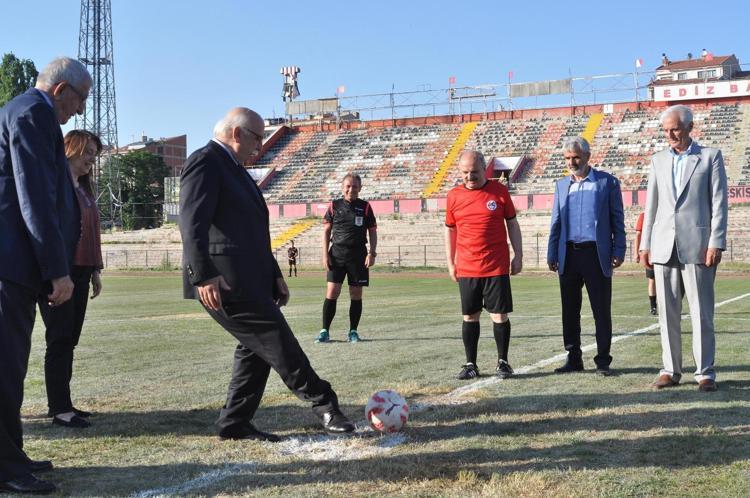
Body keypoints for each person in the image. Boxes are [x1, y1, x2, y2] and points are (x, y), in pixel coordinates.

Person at [180, 107, 354, 442]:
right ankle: (324, 403)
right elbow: (191, 224)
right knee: (276, 339)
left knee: (256, 348)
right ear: (236, 133)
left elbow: (253, 232)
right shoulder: (205, 162)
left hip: (250, 277)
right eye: (258, 137)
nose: (261, 146)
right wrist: (202, 275)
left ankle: (234, 422)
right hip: (224, 280)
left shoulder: (237, 170)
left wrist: (274, 274)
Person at [0, 56, 89, 494]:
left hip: (15, 264)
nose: (81, 109)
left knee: (10, 366)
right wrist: (57, 271)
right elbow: (34, 194)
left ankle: (11, 454)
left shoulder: (26, 111)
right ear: (60, 90)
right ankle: (6, 467)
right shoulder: (33, 113)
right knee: (5, 367)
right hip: (11, 264)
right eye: (80, 99)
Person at [639, 104, 728, 392]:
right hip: (663, 246)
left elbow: (719, 203)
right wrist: (645, 244)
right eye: (666, 130)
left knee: (702, 313)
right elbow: (651, 206)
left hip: (699, 246)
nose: (670, 135)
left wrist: (716, 241)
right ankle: (670, 370)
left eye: (675, 129)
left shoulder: (710, 157)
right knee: (667, 314)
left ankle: (705, 373)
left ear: (690, 127)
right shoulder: (657, 160)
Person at [37, 130, 103, 429]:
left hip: (82, 271)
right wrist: (54, 273)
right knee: (60, 338)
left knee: (69, 340)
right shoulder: (54, 184)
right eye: (88, 152)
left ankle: (64, 403)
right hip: (59, 273)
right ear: (71, 149)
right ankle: (60, 409)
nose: (91, 159)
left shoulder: (84, 189)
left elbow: (92, 233)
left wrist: (96, 270)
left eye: (94, 154)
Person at [547, 137, 626, 376]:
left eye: (576, 157)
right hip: (569, 254)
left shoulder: (607, 182)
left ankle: (603, 361)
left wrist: (619, 250)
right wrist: (552, 251)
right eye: (568, 158)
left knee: (601, 310)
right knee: (569, 311)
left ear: (588, 157)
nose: (572, 162)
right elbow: (556, 222)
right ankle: (573, 359)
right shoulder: (561, 185)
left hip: (596, 254)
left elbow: (617, 220)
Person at [445, 150, 523, 380]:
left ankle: (503, 362)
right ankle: (471, 364)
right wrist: (450, 262)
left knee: (499, 315)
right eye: (465, 172)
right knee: (470, 316)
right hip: (467, 266)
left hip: (496, 265)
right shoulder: (453, 196)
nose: (470, 177)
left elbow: (512, 224)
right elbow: (450, 230)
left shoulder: (499, 191)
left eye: (474, 172)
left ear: (484, 169)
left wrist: (518, 255)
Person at [316, 173, 377, 344]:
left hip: (358, 256)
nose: (351, 189)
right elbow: (326, 231)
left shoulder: (365, 207)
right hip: (337, 254)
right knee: (332, 292)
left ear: (360, 188)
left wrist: (372, 253)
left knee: (356, 294)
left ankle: (353, 331)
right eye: (348, 186)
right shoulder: (334, 206)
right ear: (342, 188)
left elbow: (372, 231)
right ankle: (324, 331)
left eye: (354, 186)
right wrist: (325, 254)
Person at [634, 212, 657, 315]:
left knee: (664, 280)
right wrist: (636, 253)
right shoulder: (644, 216)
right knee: (652, 280)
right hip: (650, 253)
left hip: (662, 251)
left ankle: (665, 306)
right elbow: (638, 234)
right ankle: (653, 306)